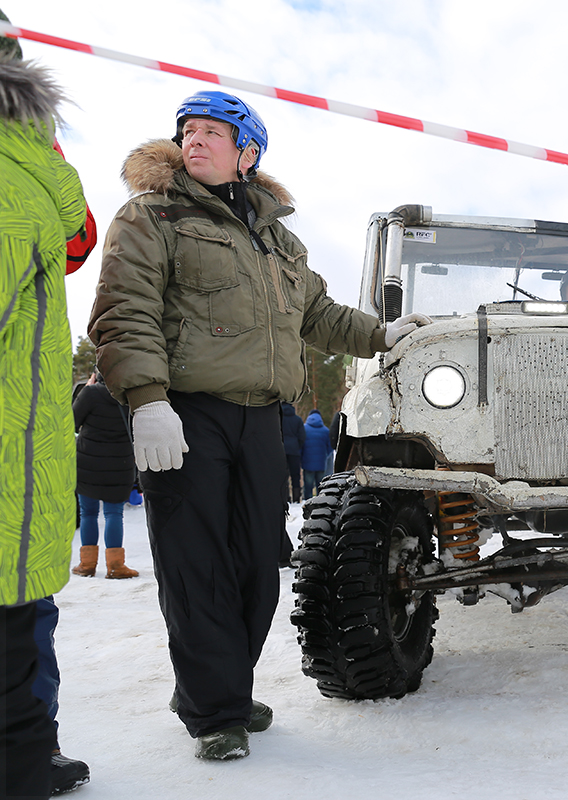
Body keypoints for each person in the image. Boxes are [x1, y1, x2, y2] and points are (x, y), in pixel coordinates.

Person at [87, 90, 431, 760]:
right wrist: (149, 399)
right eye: (188, 129)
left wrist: (384, 334)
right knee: (197, 565)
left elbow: (320, 316)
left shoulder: (278, 240)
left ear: (248, 153)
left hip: (262, 420)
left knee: (256, 566)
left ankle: (226, 688)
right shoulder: (152, 214)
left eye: (215, 131)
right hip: (187, 413)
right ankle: (214, 709)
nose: (195, 139)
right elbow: (122, 309)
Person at [1, 42, 89, 798]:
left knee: (24, 625)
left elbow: (76, 241)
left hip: (24, 473)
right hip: (17, 476)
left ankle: (32, 754)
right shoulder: (18, 183)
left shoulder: (16, 185)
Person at [71, 370, 138, 579]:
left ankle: (87, 564)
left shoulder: (90, 394)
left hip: (88, 462)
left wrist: (86, 390)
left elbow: (71, 422)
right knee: (114, 513)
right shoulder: (131, 395)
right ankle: (116, 566)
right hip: (121, 462)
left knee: (88, 513)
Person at [301, 409, 333, 500]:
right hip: (321, 463)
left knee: (308, 485)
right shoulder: (326, 430)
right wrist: (325, 456)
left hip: (307, 463)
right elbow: (330, 447)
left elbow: (301, 445)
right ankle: (320, 502)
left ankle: (307, 501)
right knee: (320, 485)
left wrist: (302, 458)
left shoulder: (304, 429)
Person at [279, 401, 305, 503]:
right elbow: (302, 437)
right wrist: (297, 446)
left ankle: (285, 497)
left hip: (281, 450)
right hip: (294, 450)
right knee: (295, 475)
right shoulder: (297, 420)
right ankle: (296, 497)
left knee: (283, 475)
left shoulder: (278, 418)